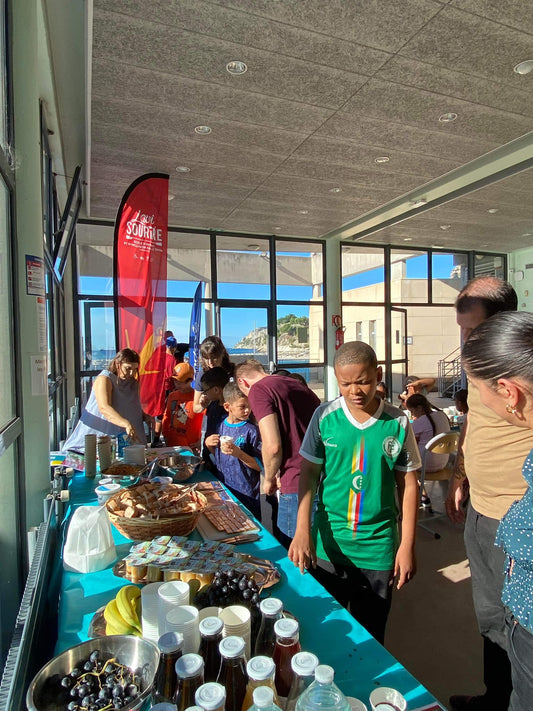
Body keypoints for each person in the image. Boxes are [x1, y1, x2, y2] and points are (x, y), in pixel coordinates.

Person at [288, 341, 420, 644]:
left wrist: (407, 545)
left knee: (370, 635)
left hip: (378, 549)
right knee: (326, 633)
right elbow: (308, 475)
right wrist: (302, 530)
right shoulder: (324, 417)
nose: (355, 391)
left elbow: (409, 485)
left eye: (363, 381)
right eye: (345, 383)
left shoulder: (397, 421)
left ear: (378, 375)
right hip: (328, 545)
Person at [446, 276, 533, 711]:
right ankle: (496, 696)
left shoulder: (522, 371)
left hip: (516, 516)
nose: (464, 341)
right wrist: (460, 475)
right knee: (492, 617)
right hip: (481, 505)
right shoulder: (478, 363)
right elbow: (471, 424)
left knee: (521, 626)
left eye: (473, 330)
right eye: (460, 329)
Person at [235, 358, 321, 548]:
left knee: (293, 554)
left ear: (243, 382)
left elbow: (272, 446)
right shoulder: (295, 384)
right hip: (321, 478)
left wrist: (269, 477)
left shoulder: (258, 390)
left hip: (294, 482)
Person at [63, 348, 150, 450]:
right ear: (118, 364)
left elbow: (128, 406)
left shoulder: (133, 383)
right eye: (128, 368)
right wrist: (126, 424)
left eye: (135, 369)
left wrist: (145, 416)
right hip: (104, 440)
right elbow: (104, 408)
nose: (131, 373)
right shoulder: (104, 379)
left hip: (129, 443)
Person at [205, 381, 262, 521]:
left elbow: (261, 466)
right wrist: (209, 445)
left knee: (251, 525)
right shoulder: (220, 427)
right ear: (227, 407)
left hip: (247, 493)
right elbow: (219, 458)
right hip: (226, 490)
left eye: (249, 406)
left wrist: (239, 454)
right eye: (242, 407)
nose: (247, 410)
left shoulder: (252, 431)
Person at [406, 393, 451, 510]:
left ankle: (421, 497)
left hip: (426, 464)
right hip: (443, 462)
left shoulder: (421, 421)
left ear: (419, 408)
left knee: (404, 462)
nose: (412, 415)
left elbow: (410, 442)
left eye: (412, 412)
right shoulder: (442, 415)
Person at [161, 362, 204, 450]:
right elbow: (167, 416)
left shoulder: (197, 396)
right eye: (175, 381)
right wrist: (165, 435)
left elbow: (205, 422)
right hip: (173, 444)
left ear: (190, 380)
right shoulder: (172, 396)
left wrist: (200, 442)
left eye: (180, 382)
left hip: (191, 445)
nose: (177, 384)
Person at [193, 336, 235, 414]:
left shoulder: (233, 371)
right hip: (213, 416)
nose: (210, 362)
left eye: (214, 357)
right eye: (206, 358)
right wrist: (203, 404)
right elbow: (195, 408)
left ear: (222, 353)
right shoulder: (202, 374)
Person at [200, 366, 231, 472]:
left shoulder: (230, 410)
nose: (205, 394)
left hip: (224, 461)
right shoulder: (212, 404)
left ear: (216, 389)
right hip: (209, 456)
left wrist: (210, 448)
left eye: (205, 391)